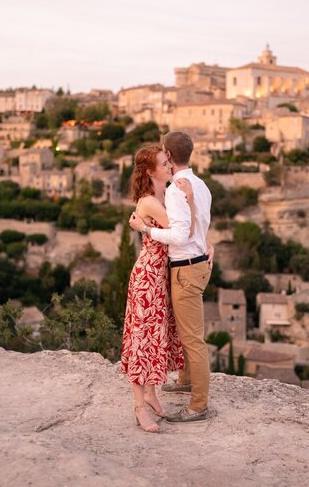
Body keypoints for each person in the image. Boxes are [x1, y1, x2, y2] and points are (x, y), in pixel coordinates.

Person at [130, 131, 213, 423]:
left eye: (166, 158)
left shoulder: (179, 191)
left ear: (169, 153)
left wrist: (145, 229)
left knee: (190, 337)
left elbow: (181, 234)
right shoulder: (200, 185)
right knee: (176, 331)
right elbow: (199, 227)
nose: (165, 165)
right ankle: (182, 381)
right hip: (182, 266)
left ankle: (198, 405)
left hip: (184, 267)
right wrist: (206, 245)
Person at [120, 144, 193, 433]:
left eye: (169, 162)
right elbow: (180, 233)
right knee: (142, 341)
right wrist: (188, 198)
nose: (169, 167)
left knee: (156, 337)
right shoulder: (149, 201)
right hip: (147, 277)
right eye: (164, 164)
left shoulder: (165, 193)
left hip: (160, 276)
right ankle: (140, 408)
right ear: (150, 171)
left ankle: (151, 395)